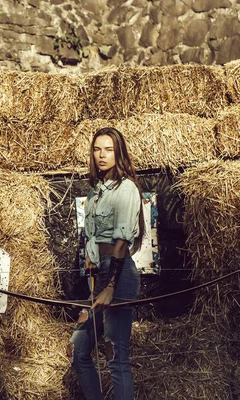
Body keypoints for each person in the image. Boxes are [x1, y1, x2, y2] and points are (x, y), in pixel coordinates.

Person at [68, 127, 145, 400]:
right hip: (100, 275)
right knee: (78, 350)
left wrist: (111, 285)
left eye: (109, 149)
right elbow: (93, 235)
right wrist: (90, 257)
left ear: (119, 153)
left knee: (115, 356)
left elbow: (121, 242)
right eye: (97, 149)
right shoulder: (94, 193)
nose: (102, 155)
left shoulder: (126, 188)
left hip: (120, 277)